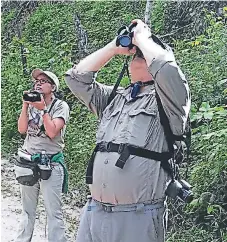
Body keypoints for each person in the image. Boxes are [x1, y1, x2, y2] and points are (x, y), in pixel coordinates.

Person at [65, 19, 191, 242]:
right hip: (94, 211)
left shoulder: (170, 100)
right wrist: (113, 48)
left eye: (143, 54)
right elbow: (76, 79)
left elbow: (167, 69)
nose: (138, 56)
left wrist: (143, 38)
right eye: (136, 54)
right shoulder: (115, 98)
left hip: (138, 217)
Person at [16, 69, 70, 242]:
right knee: (27, 209)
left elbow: (53, 131)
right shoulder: (31, 105)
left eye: (43, 81)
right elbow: (22, 129)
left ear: (52, 87)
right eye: (36, 81)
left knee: (53, 211)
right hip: (29, 161)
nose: (38, 83)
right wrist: (26, 105)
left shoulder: (60, 106)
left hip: (51, 164)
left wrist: (44, 110)